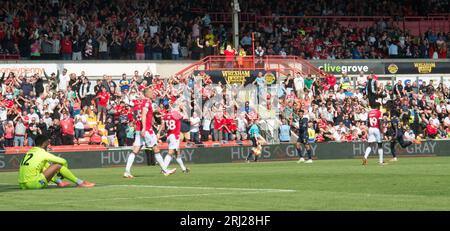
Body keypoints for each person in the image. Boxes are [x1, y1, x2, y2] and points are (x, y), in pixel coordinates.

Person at [123, 88, 176, 178]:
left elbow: (138, 115)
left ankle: (127, 171)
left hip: (139, 129)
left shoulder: (140, 103)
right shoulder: (147, 102)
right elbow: (143, 114)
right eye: (151, 92)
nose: (153, 94)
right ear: (147, 94)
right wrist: (144, 128)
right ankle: (165, 170)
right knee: (156, 148)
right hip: (146, 129)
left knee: (135, 150)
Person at [18, 135, 95, 189]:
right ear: (44, 143)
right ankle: (80, 183)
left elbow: (47, 169)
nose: (49, 145)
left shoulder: (29, 152)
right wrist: (63, 171)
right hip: (34, 184)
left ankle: (59, 182)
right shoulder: (42, 153)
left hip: (22, 185)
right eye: (48, 143)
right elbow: (63, 161)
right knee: (57, 165)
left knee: (45, 166)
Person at [160, 104, 190, 174]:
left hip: (169, 135)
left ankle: (184, 169)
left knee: (177, 153)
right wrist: (183, 109)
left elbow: (164, 126)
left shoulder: (166, 116)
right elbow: (186, 117)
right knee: (171, 152)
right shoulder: (176, 114)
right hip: (174, 136)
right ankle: (163, 168)